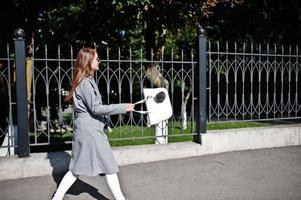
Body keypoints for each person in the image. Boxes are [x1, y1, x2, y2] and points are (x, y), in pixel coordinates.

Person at [52, 48, 135, 200]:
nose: (99, 61)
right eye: (97, 59)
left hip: (86, 129)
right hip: (90, 132)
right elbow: (96, 108)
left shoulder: (86, 81)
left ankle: (57, 197)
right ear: (88, 62)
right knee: (109, 166)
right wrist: (123, 107)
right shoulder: (85, 84)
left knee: (76, 169)